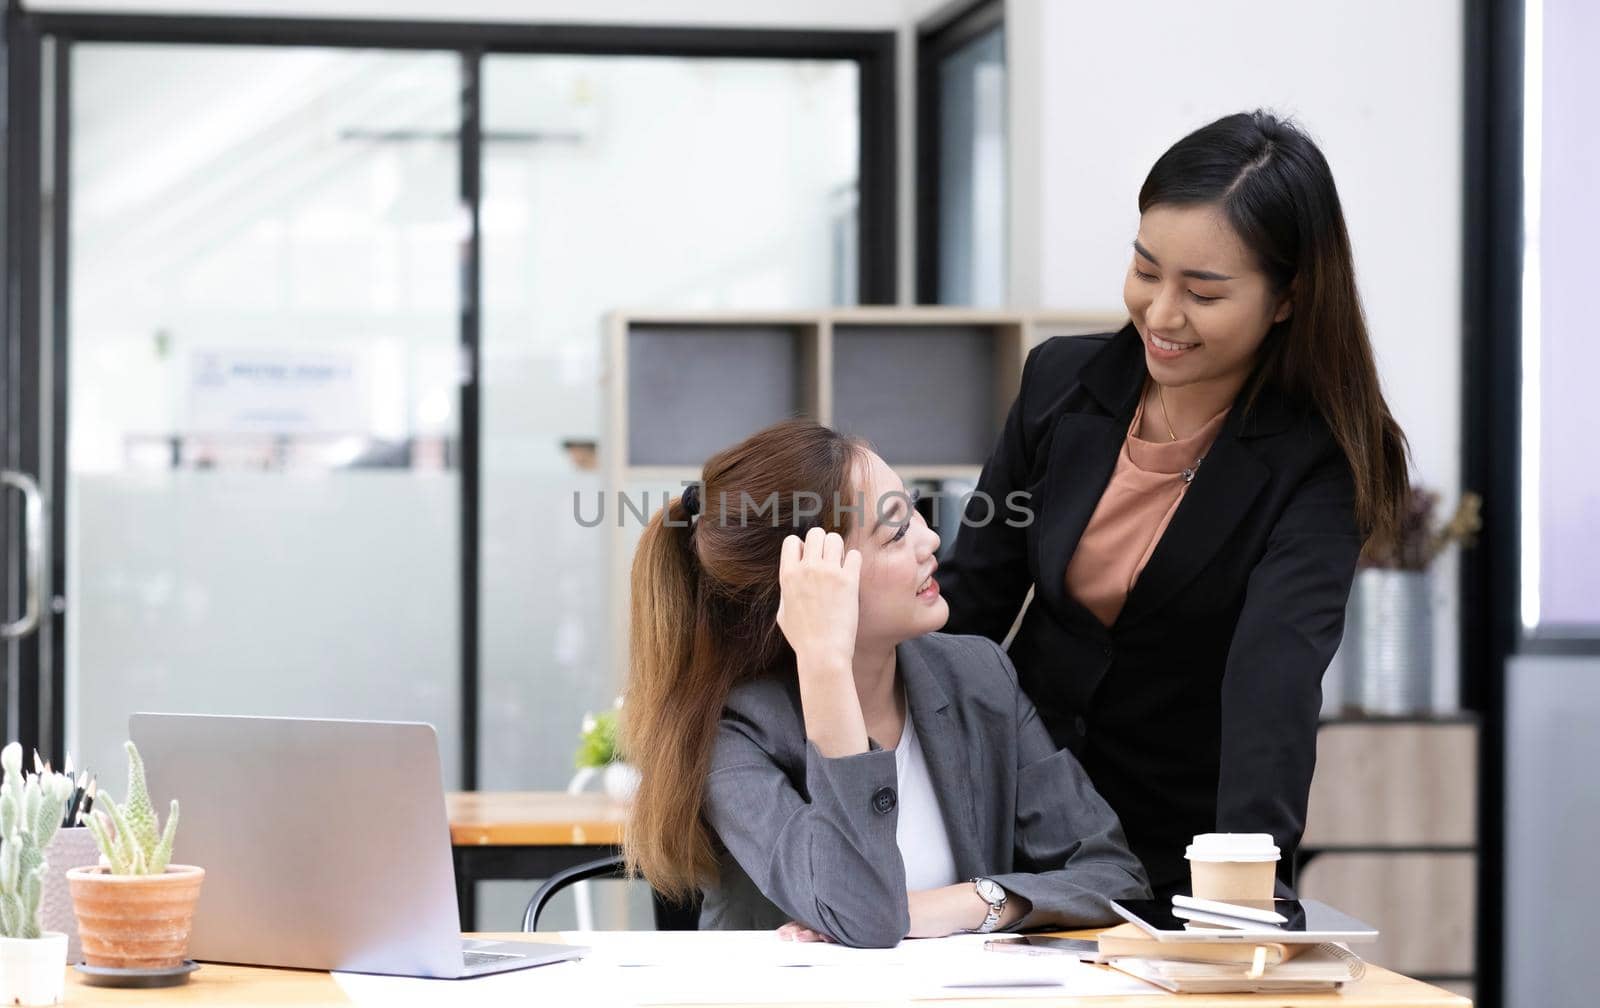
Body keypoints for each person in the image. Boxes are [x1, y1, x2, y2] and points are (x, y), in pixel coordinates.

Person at [938, 110, 1411, 897]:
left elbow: (1274, 680)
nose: (1160, 313)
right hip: (1005, 816)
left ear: (1287, 298)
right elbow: (970, 602)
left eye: (1203, 292)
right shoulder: (1061, 385)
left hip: (1172, 847)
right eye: (1146, 270)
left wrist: (1241, 894)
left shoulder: (1320, 459)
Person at [621, 418, 1150, 948]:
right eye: (896, 532)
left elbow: (1115, 879)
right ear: (809, 581)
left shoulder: (976, 676)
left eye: (914, 511)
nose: (932, 540)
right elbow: (865, 914)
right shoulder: (735, 730)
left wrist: (961, 904)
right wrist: (826, 666)